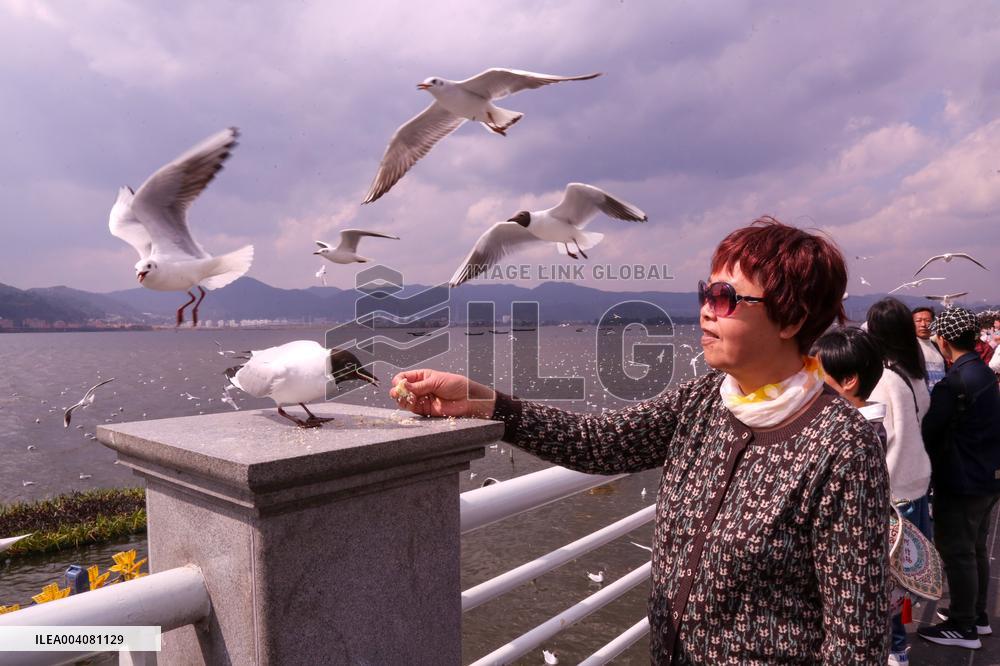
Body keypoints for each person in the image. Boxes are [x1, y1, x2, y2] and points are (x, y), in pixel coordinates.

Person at [392, 218, 890, 664]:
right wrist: (482, 401)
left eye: (724, 298)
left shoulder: (841, 444)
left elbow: (854, 638)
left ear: (791, 319)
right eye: (705, 293)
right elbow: (599, 442)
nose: (705, 311)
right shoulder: (705, 400)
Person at [918, 307, 1000, 650]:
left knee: (958, 552)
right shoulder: (982, 373)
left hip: (962, 478)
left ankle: (963, 625)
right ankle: (977, 616)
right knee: (976, 548)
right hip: (987, 476)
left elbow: (931, 429)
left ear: (943, 340)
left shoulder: (955, 383)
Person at [912, 307, 946, 389]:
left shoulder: (938, 347)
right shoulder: (910, 347)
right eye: (918, 321)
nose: (923, 324)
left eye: (927, 320)